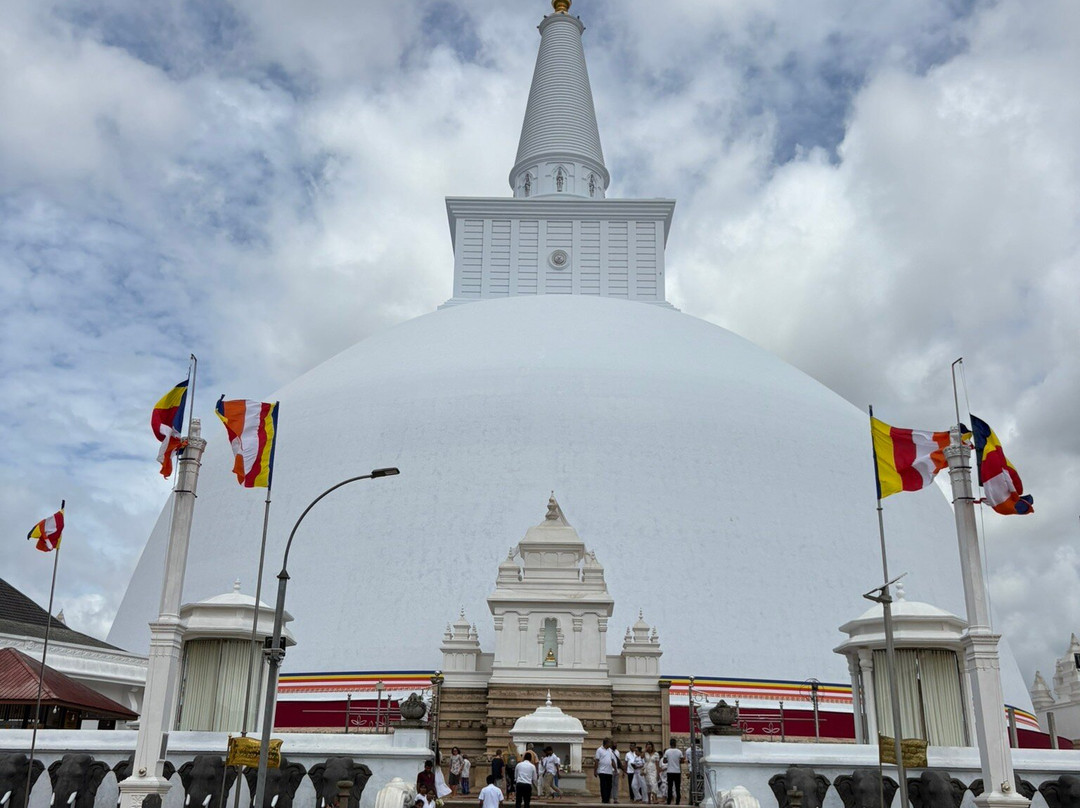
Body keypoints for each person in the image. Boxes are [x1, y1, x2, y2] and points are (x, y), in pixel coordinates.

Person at [594, 738, 616, 804]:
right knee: (603, 785)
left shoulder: (610, 750)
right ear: (606, 743)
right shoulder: (599, 750)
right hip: (602, 771)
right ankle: (604, 799)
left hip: (609, 771)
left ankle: (607, 798)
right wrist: (595, 770)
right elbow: (597, 761)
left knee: (609, 786)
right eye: (609, 743)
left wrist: (615, 769)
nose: (610, 744)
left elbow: (612, 760)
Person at [662, 740, 683, 805]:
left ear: (670, 744)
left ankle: (669, 801)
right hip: (677, 771)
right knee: (677, 787)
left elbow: (664, 761)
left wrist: (669, 760)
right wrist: (677, 761)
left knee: (670, 787)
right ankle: (677, 801)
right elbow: (682, 761)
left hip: (670, 771)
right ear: (675, 744)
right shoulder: (679, 751)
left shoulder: (667, 751)